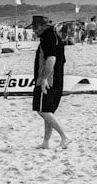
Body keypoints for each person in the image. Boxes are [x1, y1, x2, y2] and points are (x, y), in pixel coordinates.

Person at [29, 15, 70, 149]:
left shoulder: (48, 38)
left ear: (44, 26)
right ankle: (46, 142)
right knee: (48, 110)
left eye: (36, 27)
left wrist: (44, 78)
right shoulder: (55, 37)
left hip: (49, 80)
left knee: (42, 111)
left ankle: (65, 136)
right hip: (57, 79)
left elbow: (51, 58)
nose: (34, 30)